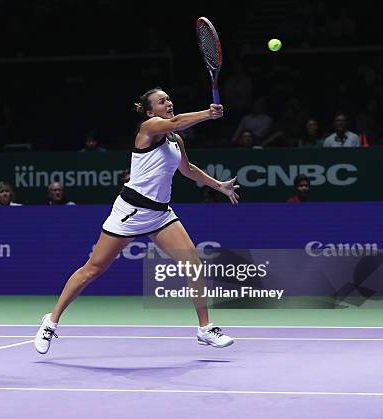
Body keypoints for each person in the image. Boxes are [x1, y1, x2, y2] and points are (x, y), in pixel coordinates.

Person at [34, 87, 239, 354]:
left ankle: (204, 328)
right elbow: (176, 121)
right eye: (162, 101)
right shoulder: (148, 128)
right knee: (92, 270)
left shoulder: (175, 140)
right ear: (150, 110)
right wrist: (207, 114)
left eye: (169, 98)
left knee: (193, 265)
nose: (169, 102)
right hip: (131, 212)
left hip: (160, 214)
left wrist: (218, 185)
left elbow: (187, 169)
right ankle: (50, 321)